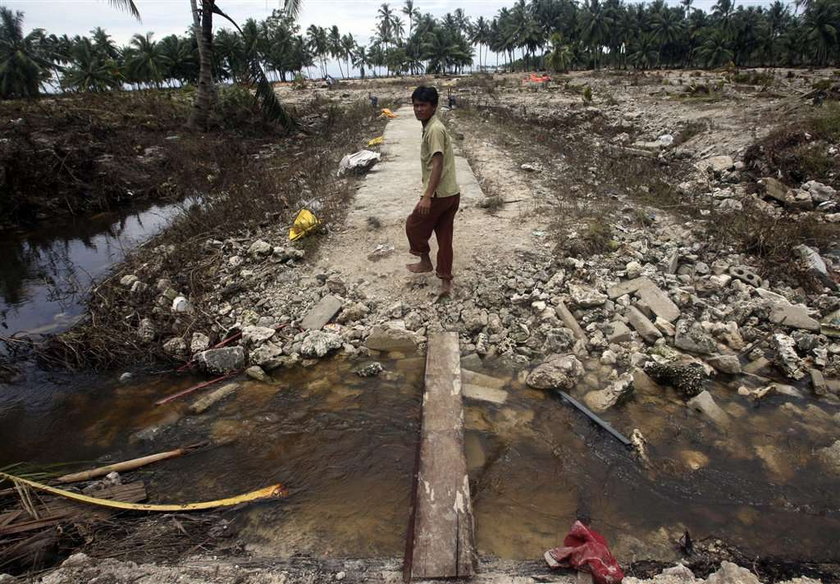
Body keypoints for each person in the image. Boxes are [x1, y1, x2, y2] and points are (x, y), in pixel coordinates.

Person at [405, 86, 460, 297]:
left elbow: (437, 163)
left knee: (413, 225)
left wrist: (427, 196)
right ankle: (445, 282)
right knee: (445, 237)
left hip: (438, 195)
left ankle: (425, 261)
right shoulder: (430, 127)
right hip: (451, 193)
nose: (418, 109)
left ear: (434, 106)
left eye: (423, 105)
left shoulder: (435, 130)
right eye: (415, 105)